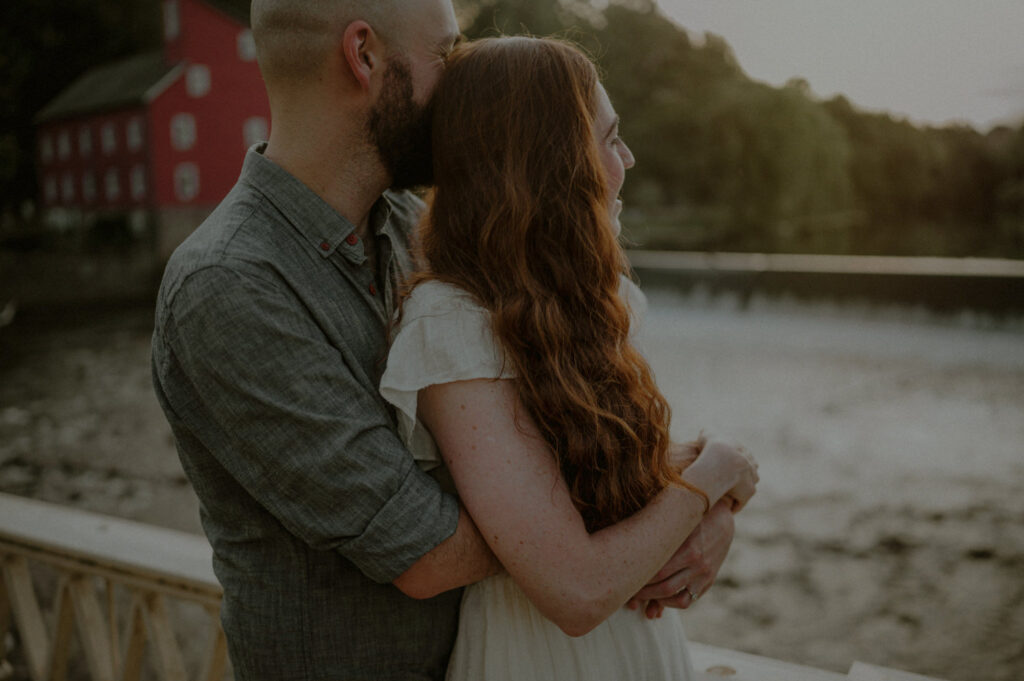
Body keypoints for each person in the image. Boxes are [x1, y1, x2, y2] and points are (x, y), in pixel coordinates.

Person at [151, 0, 741, 677]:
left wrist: (699, 508)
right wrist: (656, 504)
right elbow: (427, 553)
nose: (465, 78)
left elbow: (572, 402)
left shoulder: (423, 231)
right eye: (448, 53)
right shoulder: (231, 286)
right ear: (364, 56)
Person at [379, 36, 758, 680]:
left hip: (638, 647)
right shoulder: (452, 326)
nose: (627, 159)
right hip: (540, 657)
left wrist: (721, 506)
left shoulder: (594, 302)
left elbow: (614, 479)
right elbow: (575, 591)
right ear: (551, 165)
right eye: (608, 139)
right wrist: (718, 470)